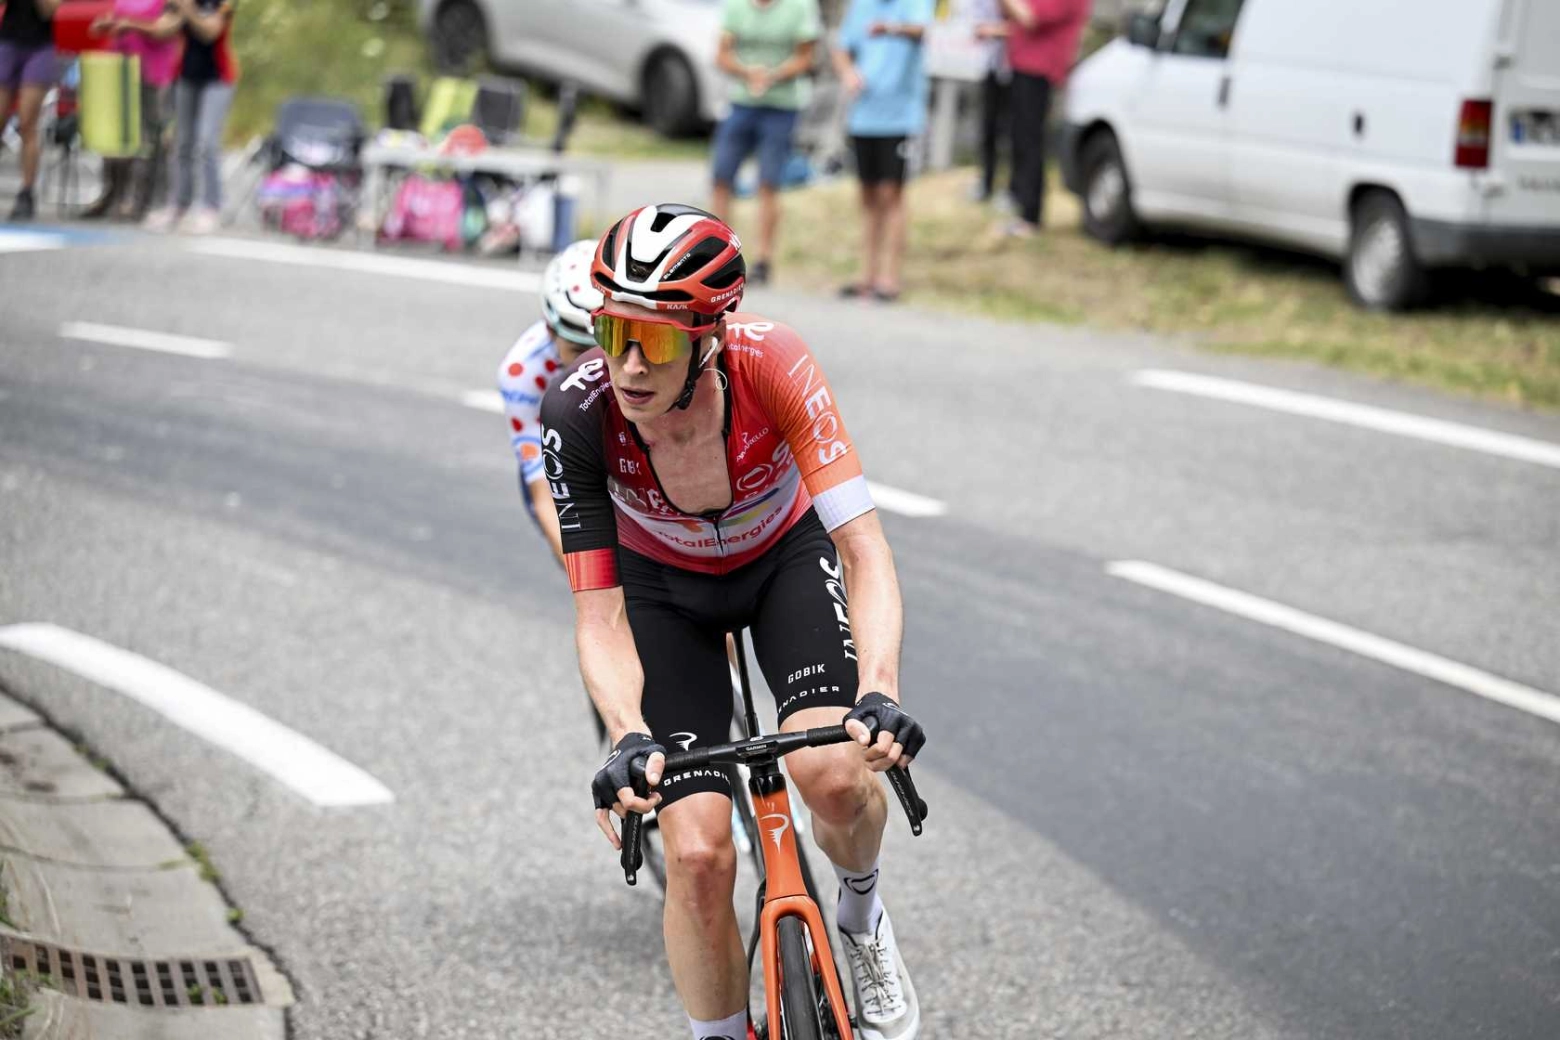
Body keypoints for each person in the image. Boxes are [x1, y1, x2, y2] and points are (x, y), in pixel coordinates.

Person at [541, 203, 927, 1040]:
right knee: (698, 854)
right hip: (661, 592)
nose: (630, 366)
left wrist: (880, 691)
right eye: (613, 335)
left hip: (782, 558)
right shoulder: (574, 414)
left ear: (709, 338)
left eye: (660, 341)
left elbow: (864, 551)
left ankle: (860, 918)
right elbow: (600, 614)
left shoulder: (775, 363)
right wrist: (625, 732)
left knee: (832, 775)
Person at [496, 239, 602, 565]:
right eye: (577, 351)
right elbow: (546, 501)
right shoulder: (522, 374)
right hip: (571, 456)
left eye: (606, 344)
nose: (594, 365)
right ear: (549, 332)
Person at [710, 0, 821, 287]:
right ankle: (716, 256)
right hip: (742, 102)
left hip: (782, 105)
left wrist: (772, 75)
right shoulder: (737, 6)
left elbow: (806, 57)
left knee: (768, 182)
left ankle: (763, 259)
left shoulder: (800, 6)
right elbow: (722, 55)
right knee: (722, 177)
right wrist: (748, 72)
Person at [832, 0, 933, 303]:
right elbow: (841, 48)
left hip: (900, 116)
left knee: (892, 194)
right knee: (867, 195)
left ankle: (890, 278)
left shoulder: (915, 4)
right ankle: (866, 275)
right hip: (864, 115)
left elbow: (922, 30)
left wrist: (890, 28)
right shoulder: (861, 5)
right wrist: (849, 73)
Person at [143, 0, 238, 234]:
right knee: (181, 143)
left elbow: (210, 32)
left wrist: (188, 10)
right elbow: (163, 30)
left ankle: (212, 206)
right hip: (186, 76)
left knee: (207, 142)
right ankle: (178, 205)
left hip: (218, 78)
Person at [998, 0, 1090, 237]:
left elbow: (1030, 17)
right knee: (1021, 137)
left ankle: (1030, 215)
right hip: (1025, 65)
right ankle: (1019, 201)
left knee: (1030, 140)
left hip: (1039, 69)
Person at [84, 0, 181, 221]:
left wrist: (131, 25)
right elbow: (117, 18)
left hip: (151, 72)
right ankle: (112, 194)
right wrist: (106, 24)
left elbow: (166, 29)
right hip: (119, 68)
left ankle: (141, 200)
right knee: (114, 136)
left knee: (147, 138)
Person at [0, 0, 64, 220]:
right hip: (8, 40)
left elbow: (50, 9)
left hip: (39, 46)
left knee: (28, 122)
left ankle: (26, 192)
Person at [971, 0, 1012, 205]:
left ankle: (1012, 188)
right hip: (992, 67)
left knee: (1012, 134)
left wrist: (995, 31)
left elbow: (1025, 25)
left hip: (1016, 71)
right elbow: (977, 24)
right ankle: (986, 183)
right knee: (988, 130)